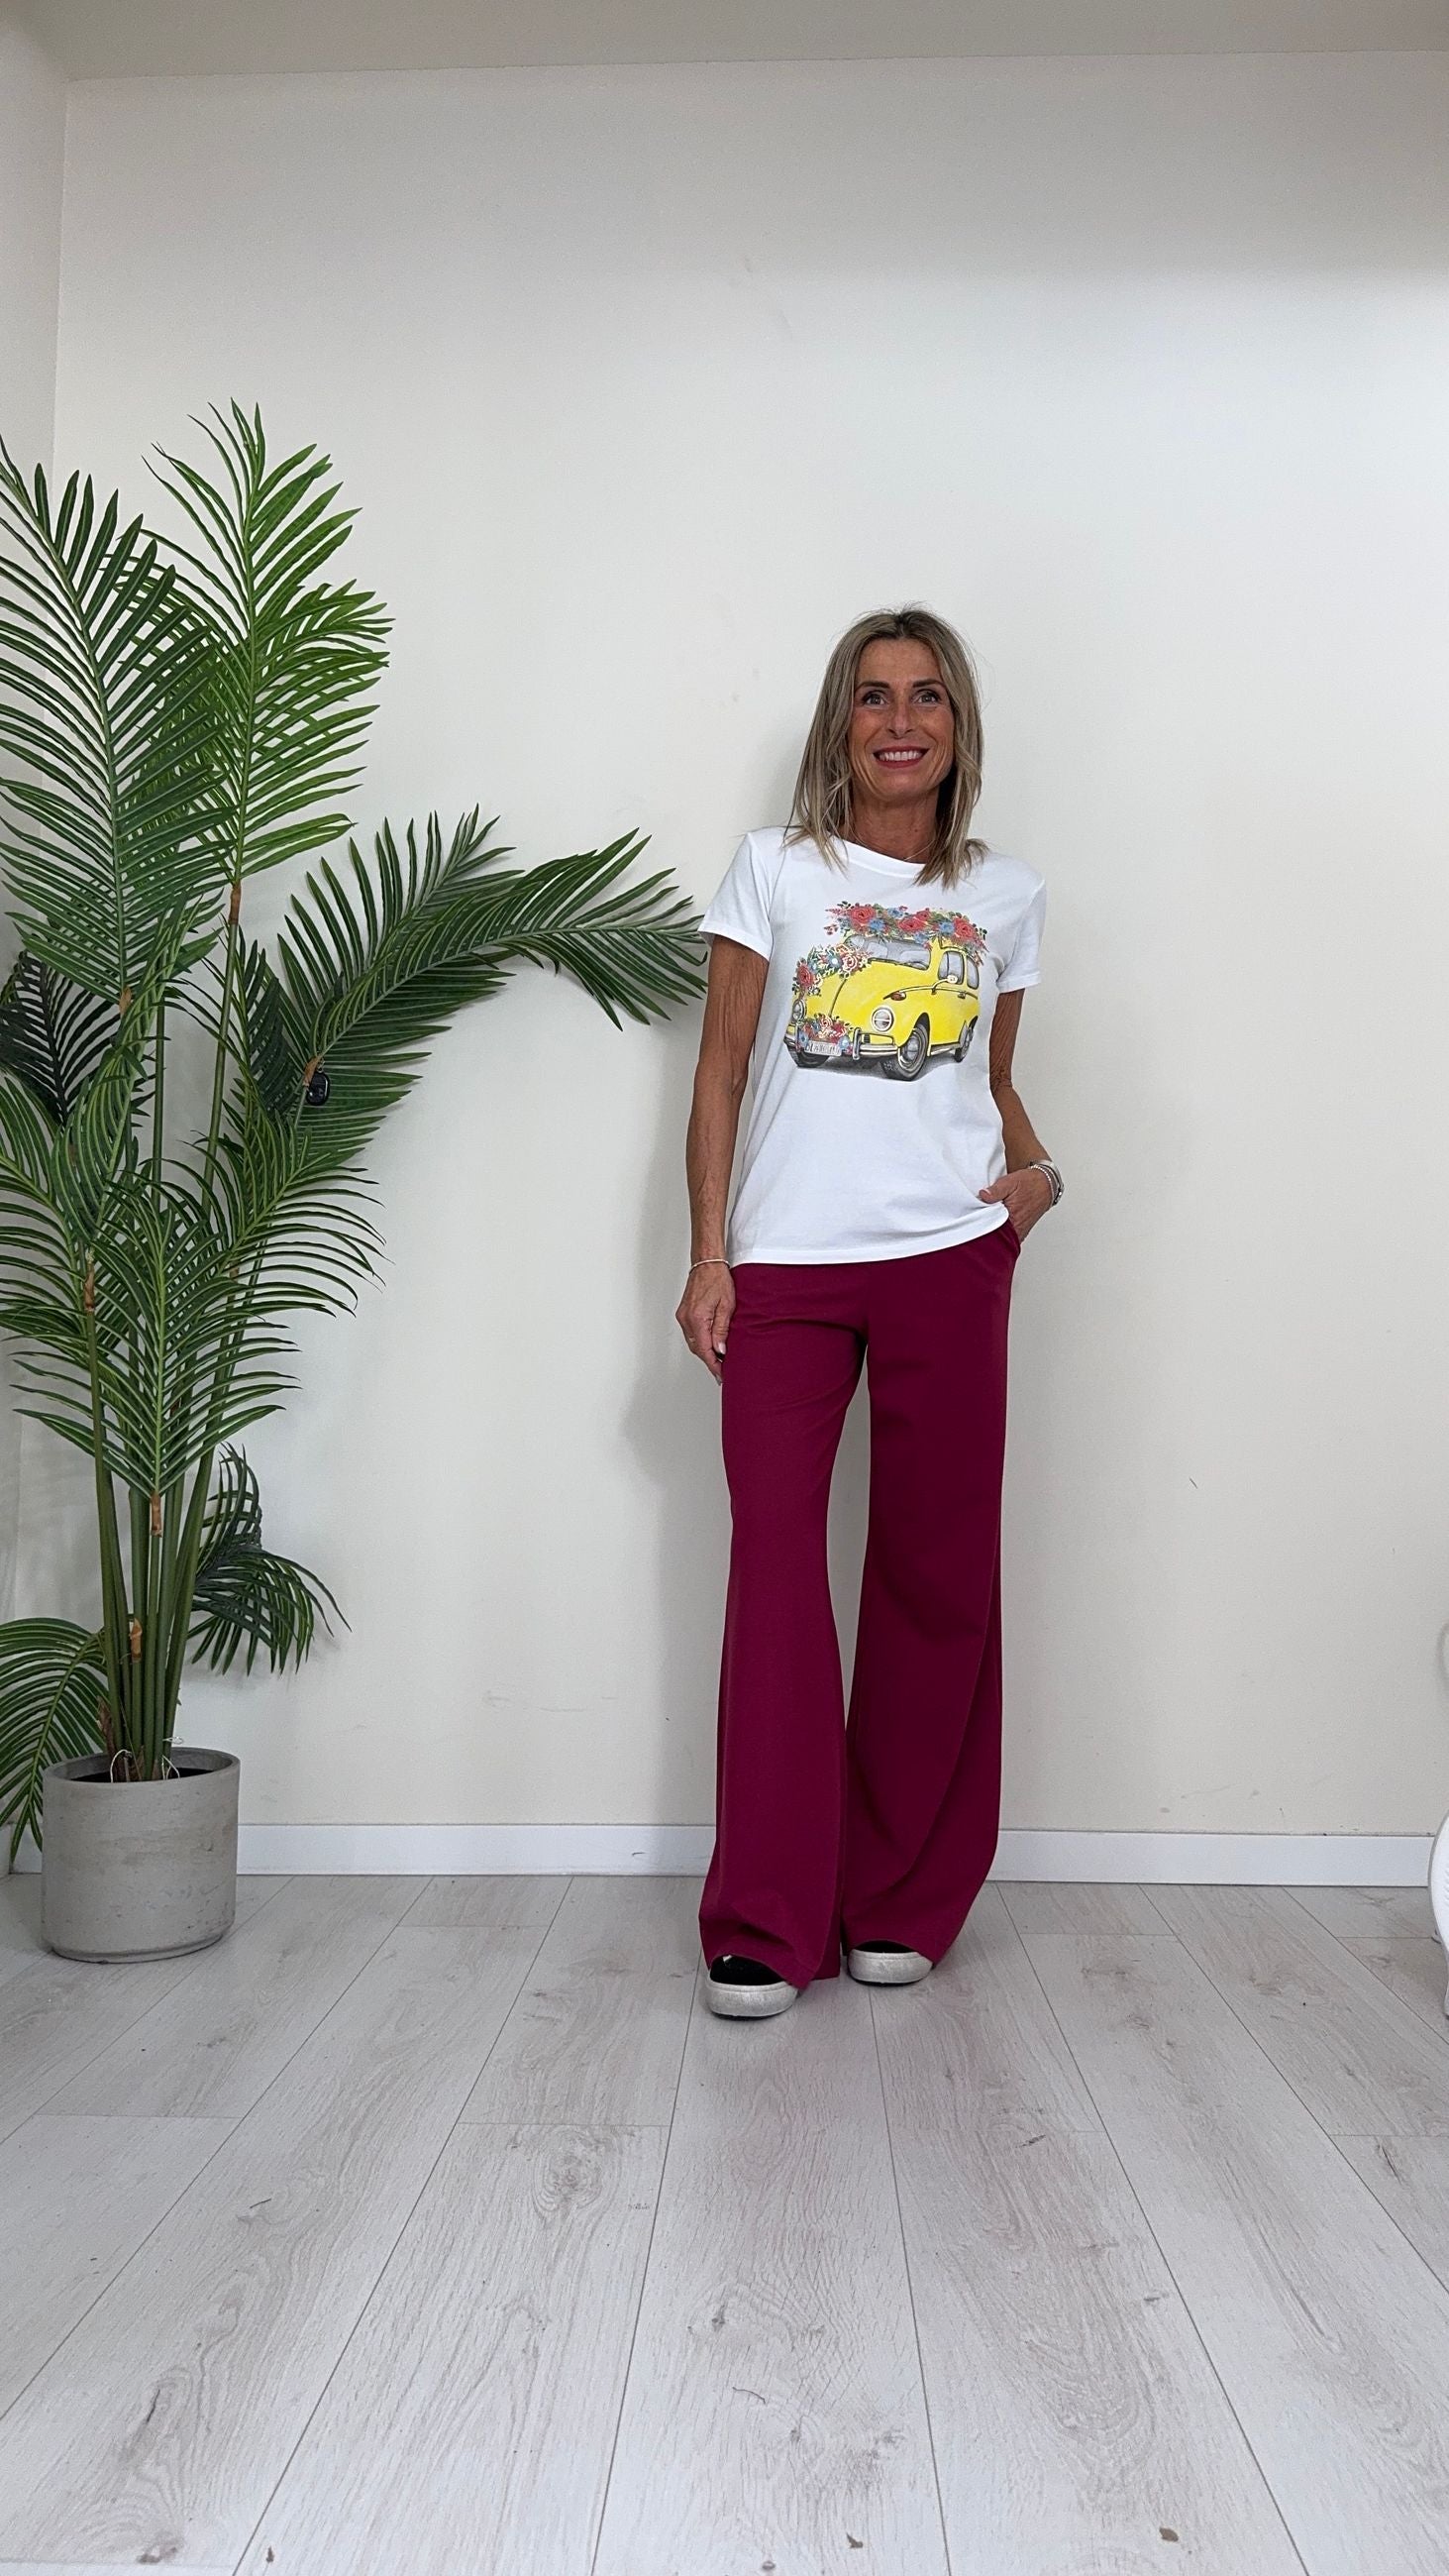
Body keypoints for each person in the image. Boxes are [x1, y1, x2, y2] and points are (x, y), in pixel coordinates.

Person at [676, 604, 1061, 2019]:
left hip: (950, 1258)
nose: (902, 721)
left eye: (930, 697)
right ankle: (767, 1917)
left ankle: (899, 1898)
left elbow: (985, 1081)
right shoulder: (774, 869)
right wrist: (709, 1256)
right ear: (841, 722)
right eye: (875, 696)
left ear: (960, 728)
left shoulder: (1005, 895)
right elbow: (721, 1072)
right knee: (777, 1574)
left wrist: (1036, 1182)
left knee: (935, 1576)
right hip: (786, 1268)